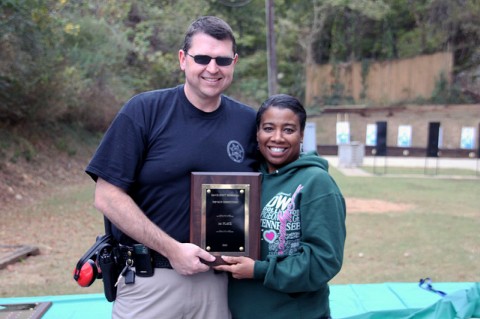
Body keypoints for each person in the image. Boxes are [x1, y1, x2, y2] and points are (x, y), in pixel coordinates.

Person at [85, 16, 258, 319]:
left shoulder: (248, 123)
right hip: (151, 283)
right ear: (182, 59)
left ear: (234, 62)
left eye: (222, 59)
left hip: (220, 288)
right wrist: (172, 250)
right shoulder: (144, 111)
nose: (212, 68)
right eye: (202, 58)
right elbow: (107, 196)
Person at [215, 94, 346, 319]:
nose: (277, 138)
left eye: (288, 130)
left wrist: (259, 270)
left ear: (302, 134)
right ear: (257, 133)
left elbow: (324, 261)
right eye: (268, 128)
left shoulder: (316, 182)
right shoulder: (243, 179)